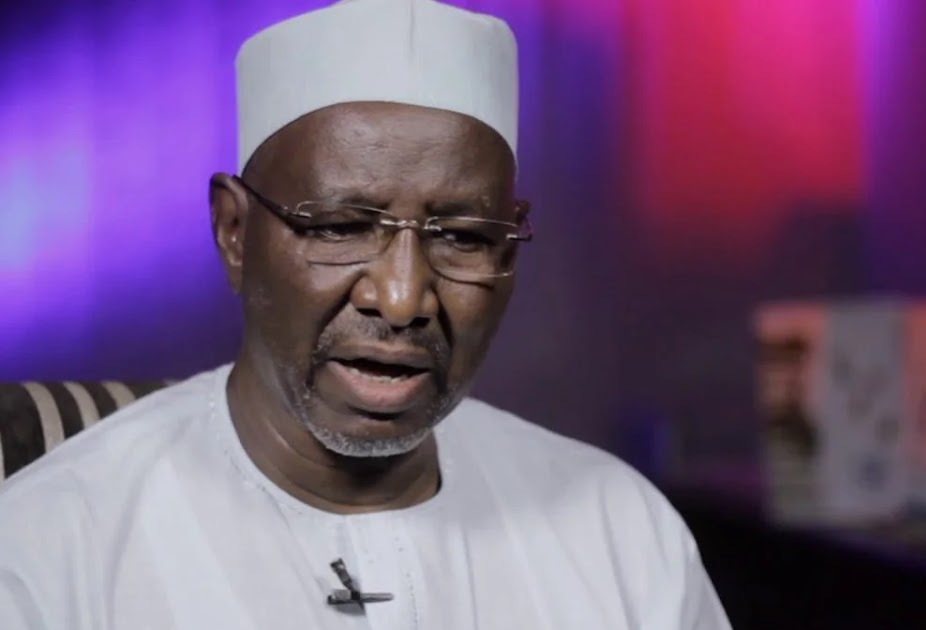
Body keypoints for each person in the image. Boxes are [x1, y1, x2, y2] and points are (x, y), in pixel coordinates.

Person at [0, 1, 732, 628]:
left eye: (463, 237)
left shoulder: (619, 534)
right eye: (340, 228)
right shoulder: (51, 550)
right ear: (234, 232)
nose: (403, 298)